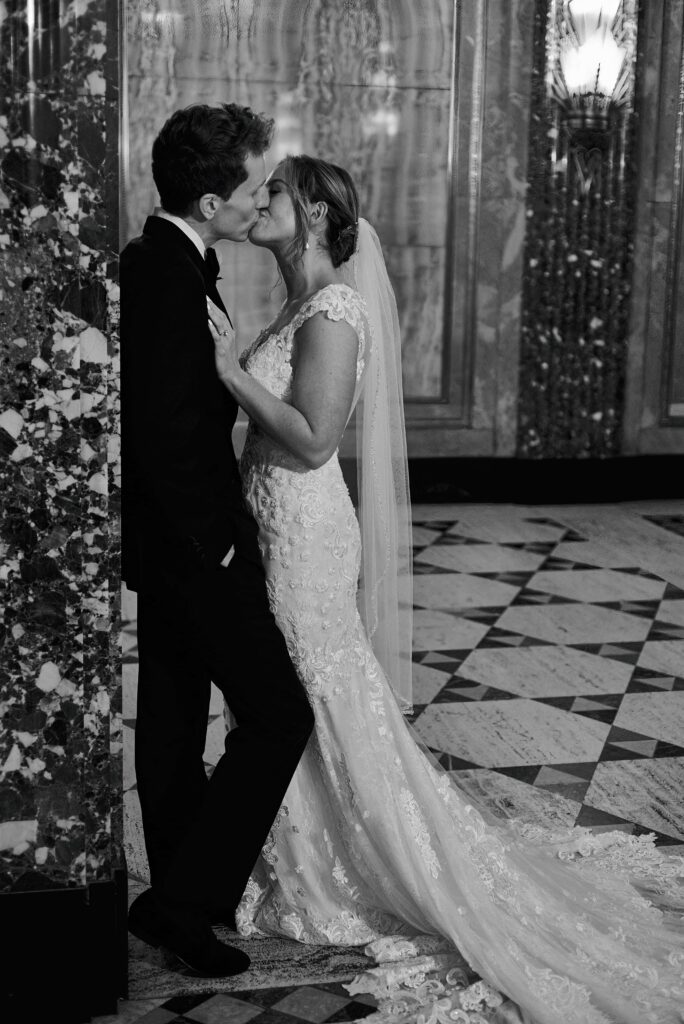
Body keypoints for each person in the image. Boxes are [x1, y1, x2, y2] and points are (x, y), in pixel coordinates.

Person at [206, 154, 684, 1023]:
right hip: (272, 524)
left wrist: (233, 374)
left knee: (317, 686)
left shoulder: (335, 310)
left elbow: (314, 442)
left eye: (274, 189)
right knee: (282, 691)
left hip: (306, 531)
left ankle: (362, 857)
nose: (258, 200)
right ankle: (285, 850)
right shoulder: (294, 302)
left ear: (312, 214)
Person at [120, 105, 314, 977]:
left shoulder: (165, 258)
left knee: (167, 720)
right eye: (248, 186)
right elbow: (163, 435)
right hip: (198, 549)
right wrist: (218, 548)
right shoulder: (167, 274)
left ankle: (179, 911)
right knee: (279, 716)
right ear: (207, 201)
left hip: (170, 549)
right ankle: (184, 900)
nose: (258, 197)